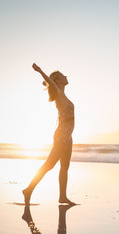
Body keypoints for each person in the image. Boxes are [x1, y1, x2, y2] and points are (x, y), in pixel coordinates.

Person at [23, 63, 75, 205]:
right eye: (62, 76)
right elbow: (51, 83)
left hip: (68, 137)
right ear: (57, 81)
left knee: (64, 167)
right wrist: (40, 71)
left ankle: (62, 197)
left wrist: (46, 83)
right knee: (49, 165)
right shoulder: (58, 93)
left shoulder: (62, 94)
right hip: (61, 137)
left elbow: (50, 83)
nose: (66, 76)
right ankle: (28, 190)